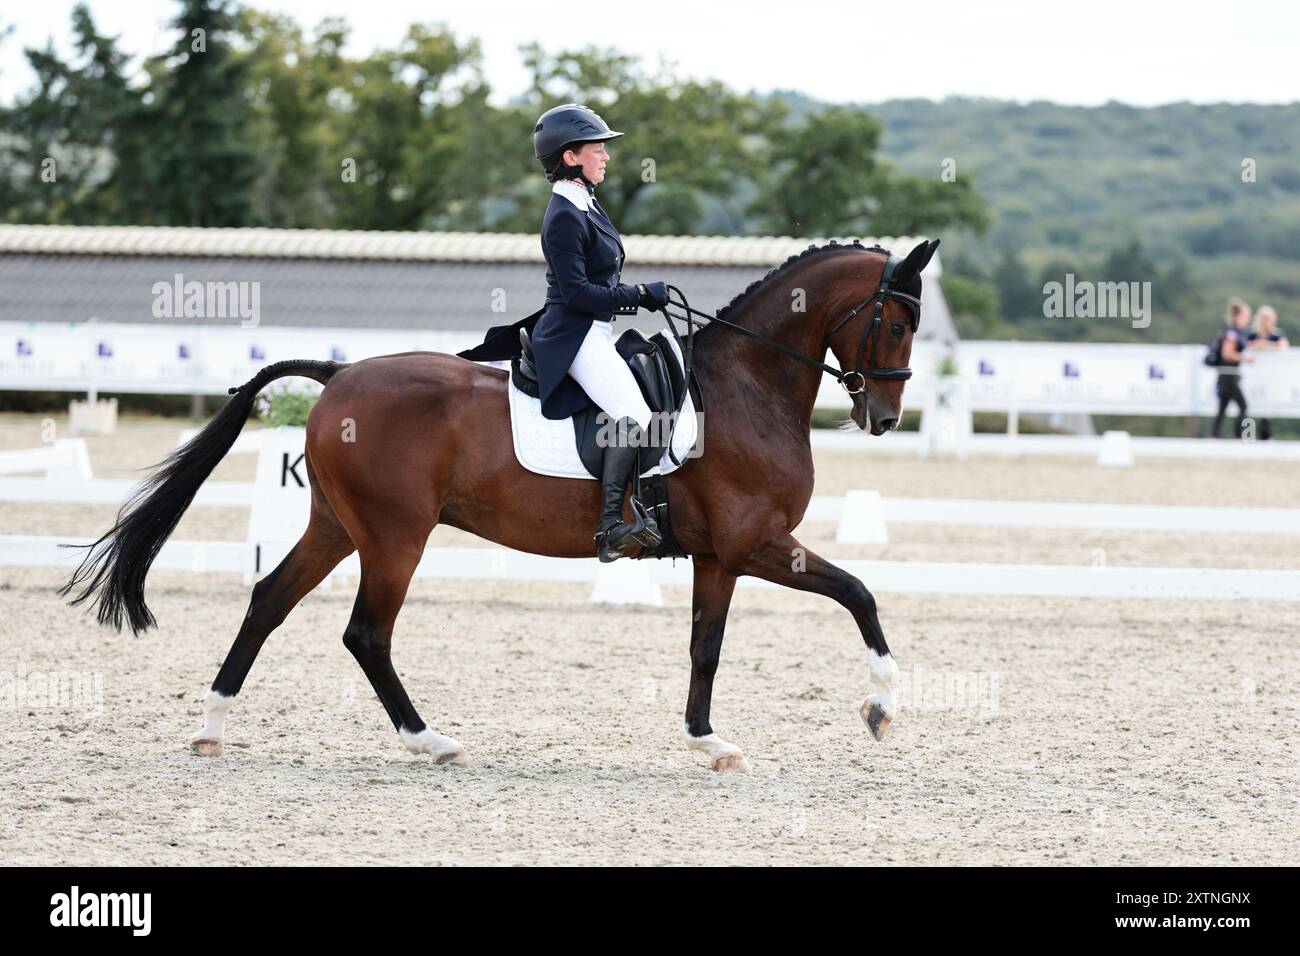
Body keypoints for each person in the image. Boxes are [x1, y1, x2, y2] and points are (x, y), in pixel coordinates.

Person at [531, 103, 672, 561]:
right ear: (571, 157)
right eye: (598, 149)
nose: (606, 157)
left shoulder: (584, 203)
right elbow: (578, 294)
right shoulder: (564, 216)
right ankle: (611, 525)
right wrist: (639, 295)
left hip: (595, 330)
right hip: (573, 334)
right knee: (633, 413)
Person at [1210, 297, 1253, 439]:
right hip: (1229, 373)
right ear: (1239, 316)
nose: (1248, 319)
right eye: (1246, 316)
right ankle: (1240, 437)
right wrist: (1244, 358)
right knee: (1243, 406)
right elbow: (1227, 353)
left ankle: (1214, 436)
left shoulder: (1237, 332)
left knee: (1222, 407)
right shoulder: (1233, 332)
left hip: (1226, 374)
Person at [1245, 305, 1289, 440]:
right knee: (1249, 406)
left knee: (1267, 408)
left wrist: (1266, 345)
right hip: (1253, 376)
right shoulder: (1252, 334)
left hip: (1271, 377)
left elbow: (1284, 347)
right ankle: (1248, 435)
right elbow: (1245, 346)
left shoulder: (1277, 334)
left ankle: (1266, 436)